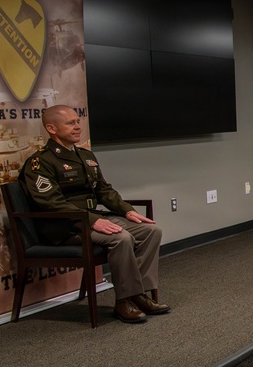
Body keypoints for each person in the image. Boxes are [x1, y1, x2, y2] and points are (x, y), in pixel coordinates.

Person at [19, 105, 169, 324]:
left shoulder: (85, 156)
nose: (77, 126)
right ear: (51, 128)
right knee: (121, 238)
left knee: (151, 231)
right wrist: (93, 221)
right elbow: (52, 203)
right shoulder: (40, 162)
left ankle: (139, 293)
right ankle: (123, 301)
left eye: (77, 121)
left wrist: (126, 210)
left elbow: (103, 190)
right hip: (64, 228)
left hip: (91, 219)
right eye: (70, 123)